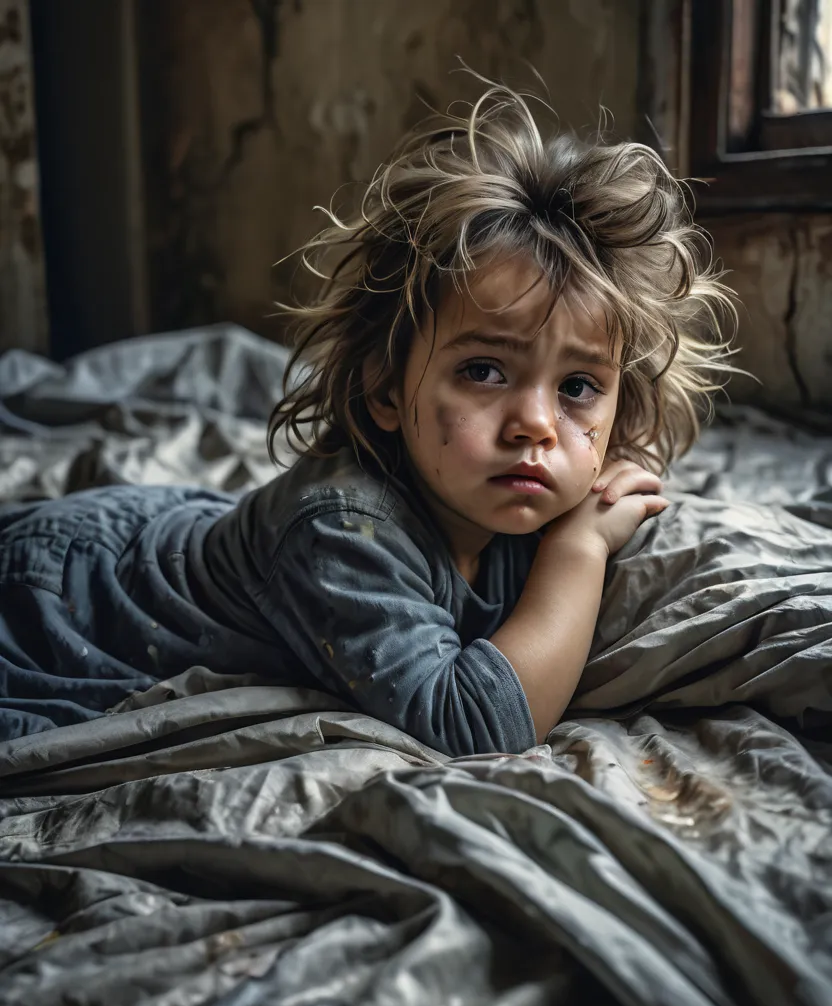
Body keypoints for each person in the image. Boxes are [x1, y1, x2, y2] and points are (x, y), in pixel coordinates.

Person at [0, 81, 734, 752]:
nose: (535, 424)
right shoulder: (344, 530)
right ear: (385, 387)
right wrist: (578, 553)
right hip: (63, 593)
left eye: (577, 387)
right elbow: (471, 725)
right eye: (483, 371)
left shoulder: (518, 481)